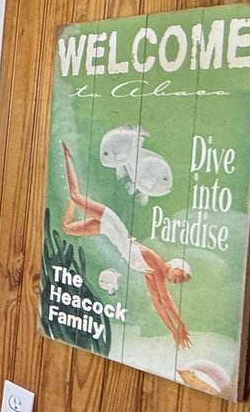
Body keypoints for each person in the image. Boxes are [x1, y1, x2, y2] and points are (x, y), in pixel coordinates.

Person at [60, 141, 192, 347]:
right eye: (180, 276)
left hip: (107, 230)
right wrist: (181, 325)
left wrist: (173, 331)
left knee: (67, 228)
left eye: (181, 282)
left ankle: (72, 200)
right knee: (77, 196)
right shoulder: (158, 264)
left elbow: (158, 303)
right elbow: (166, 299)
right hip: (112, 223)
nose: (178, 281)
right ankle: (68, 156)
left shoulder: (150, 274)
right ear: (176, 266)